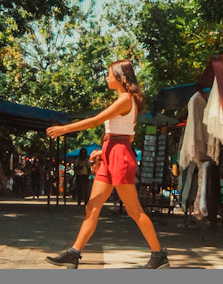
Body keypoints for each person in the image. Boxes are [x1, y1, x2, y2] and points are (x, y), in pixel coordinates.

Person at [45, 60, 170, 269]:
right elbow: (126, 136)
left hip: (119, 157)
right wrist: (103, 150)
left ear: (120, 77)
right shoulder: (123, 100)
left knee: (134, 210)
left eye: (109, 73)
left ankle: (158, 255)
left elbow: (96, 121)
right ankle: (75, 252)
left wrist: (64, 129)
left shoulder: (125, 100)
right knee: (92, 207)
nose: (106, 77)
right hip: (111, 153)